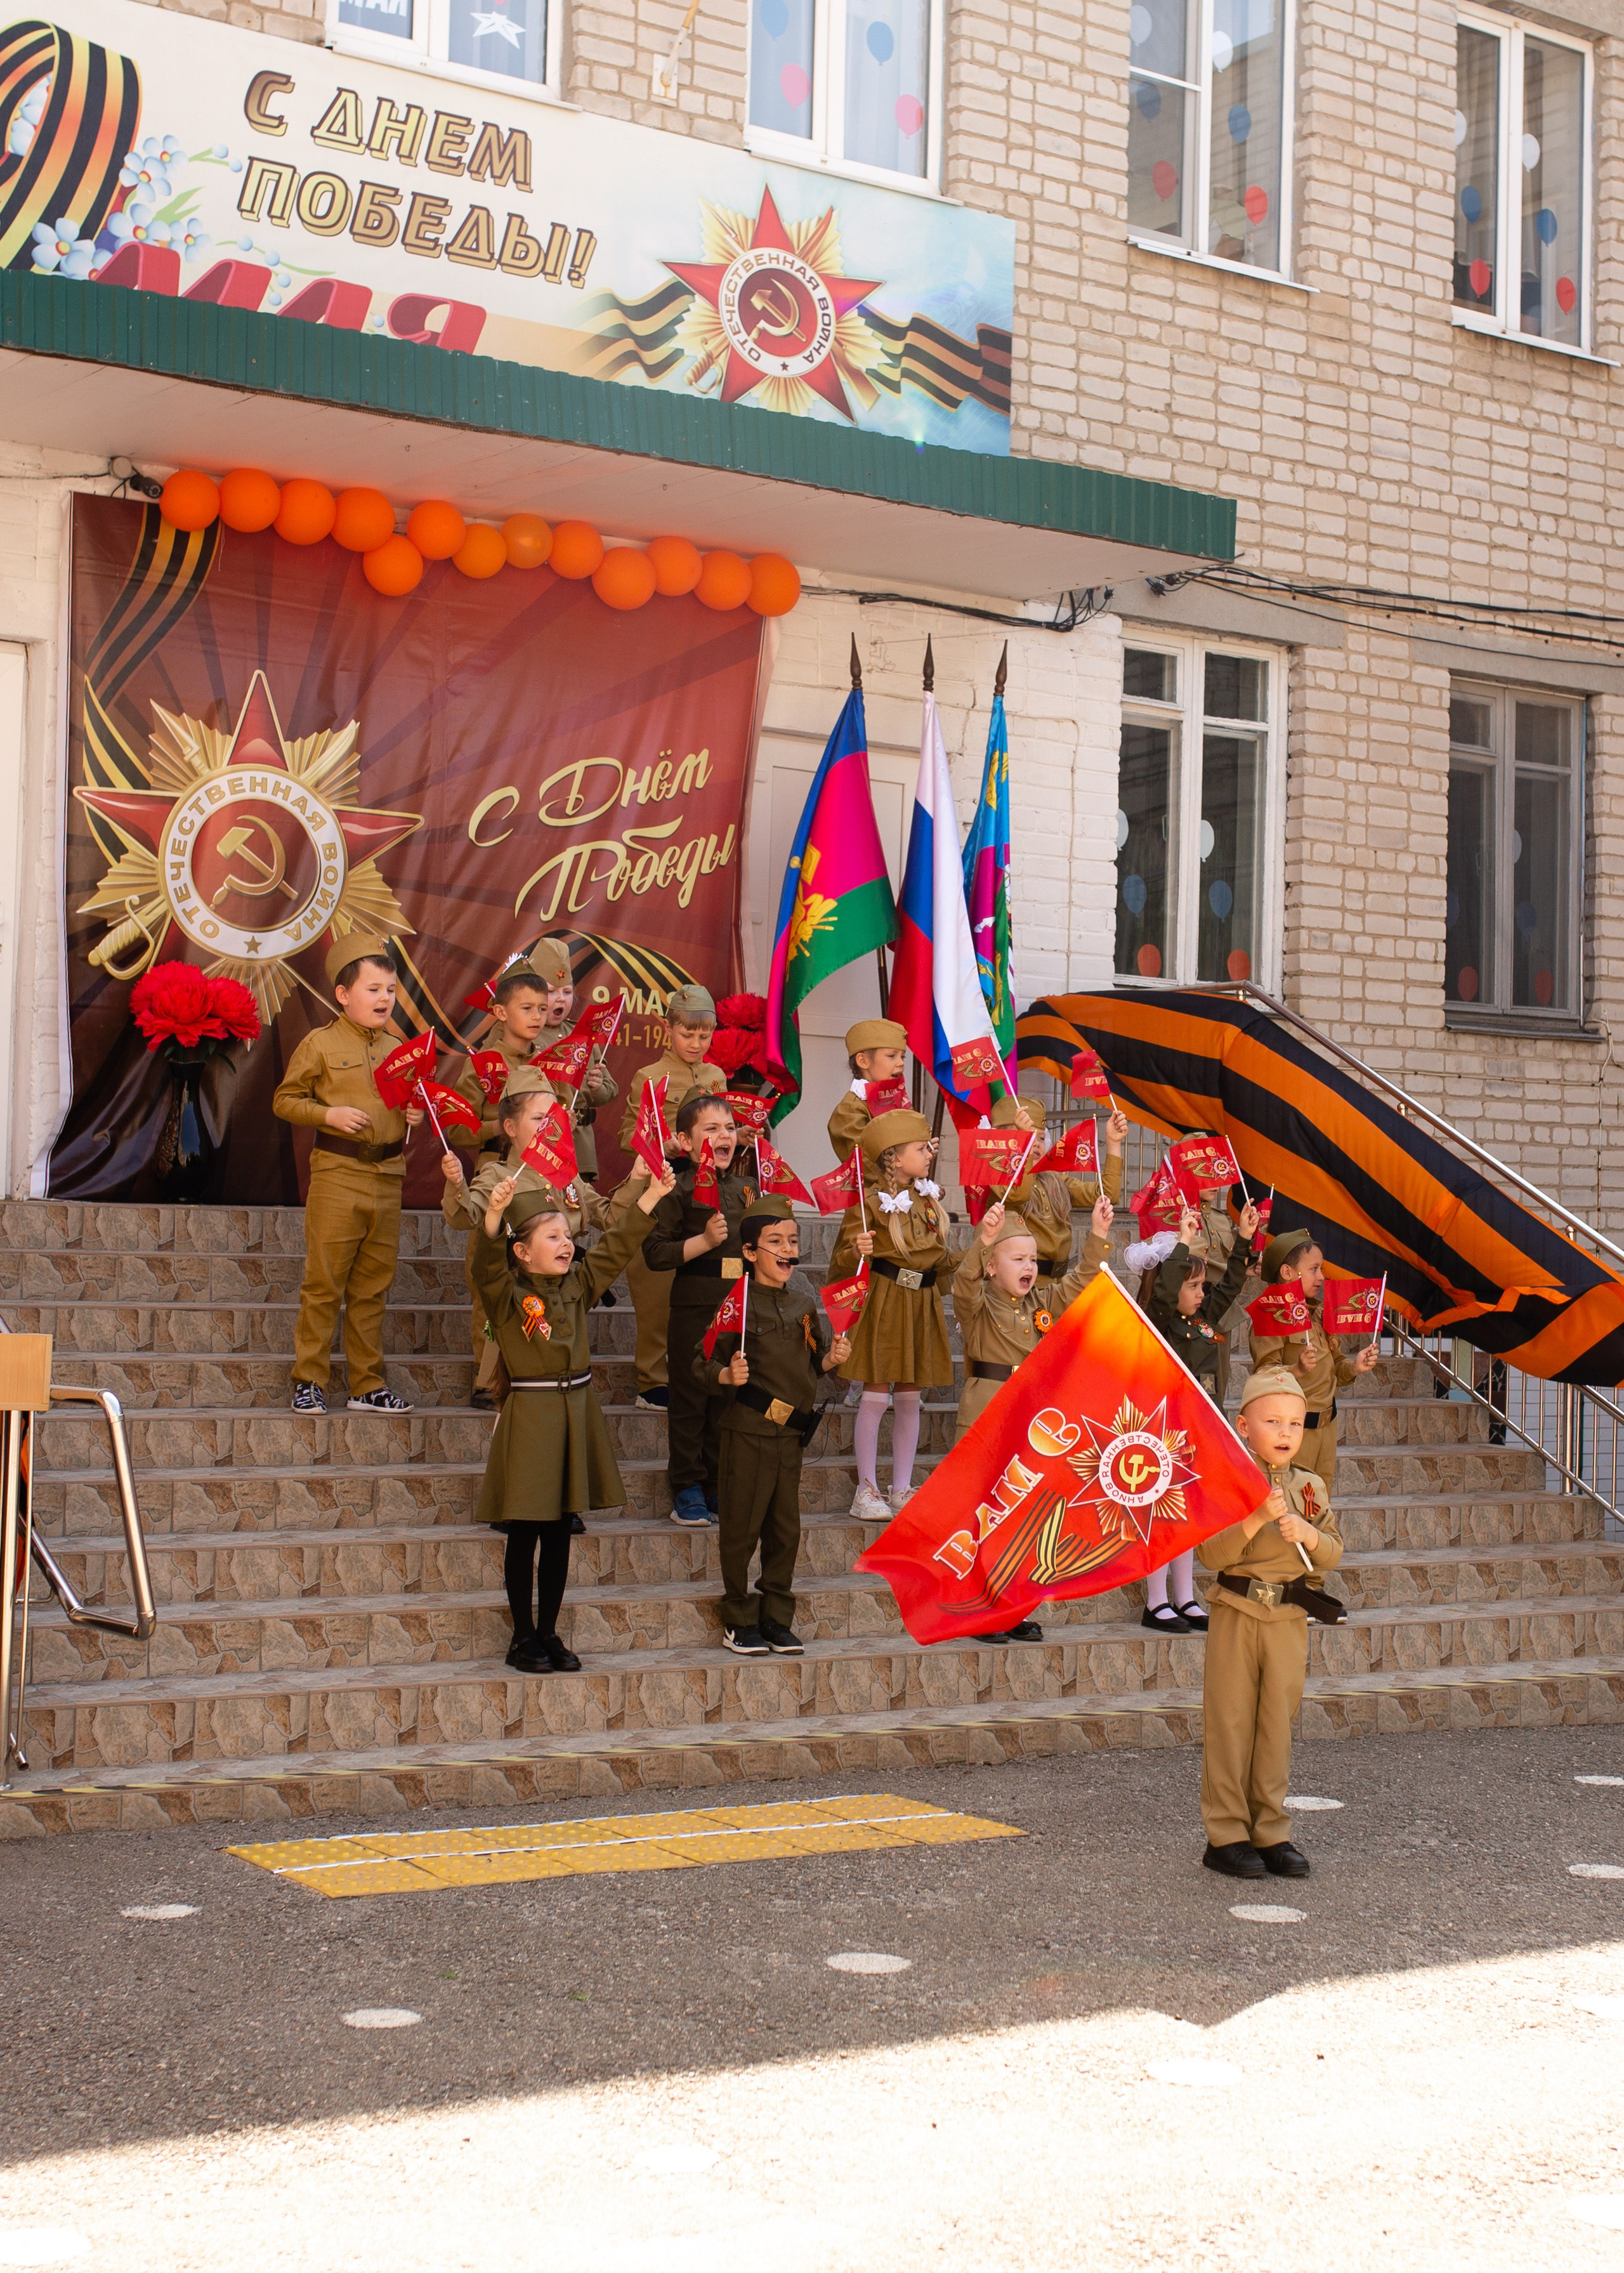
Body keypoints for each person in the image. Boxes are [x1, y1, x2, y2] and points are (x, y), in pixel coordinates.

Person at [470, 1161, 676, 1674]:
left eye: (567, 1234)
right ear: (522, 1250)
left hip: (575, 1412)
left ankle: (549, 1632)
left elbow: (614, 1249)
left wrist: (649, 1198)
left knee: (561, 1529)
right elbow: (485, 1268)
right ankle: (521, 1635)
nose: (566, 1243)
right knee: (525, 1532)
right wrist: (494, 1216)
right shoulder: (508, 1293)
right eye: (552, 1236)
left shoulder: (579, 1285)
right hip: (533, 1417)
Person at [1196, 1365, 1345, 1881]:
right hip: (1238, 1614)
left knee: (1276, 1727)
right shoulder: (1228, 1481)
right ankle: (1227, 1834)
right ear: (1242, 1425)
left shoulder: (1311, 1488)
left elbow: (1332, 1553)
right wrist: (1256, 1517)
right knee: (1231, 1722)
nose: (1285, 1433)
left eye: (1295, 1424)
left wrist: (1306, 1531)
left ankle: (1271, 1832)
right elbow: (1211, 1551)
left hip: (1287, 1617)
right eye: (1273, 1421)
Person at [950, 1195, 1115, 1643]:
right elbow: (962, 1287)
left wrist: (1097, 1235)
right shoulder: (980, 1302)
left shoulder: (1039, 1300)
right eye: (1018, 1258)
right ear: (991, 1267)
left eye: (1034, 1259)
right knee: (989, 1515)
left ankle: (1012, 1604)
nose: (1029, 1266)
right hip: (988, 1413)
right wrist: (983, 1241)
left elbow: (1079, 1282)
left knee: (1025, 1516)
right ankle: (981, 1608)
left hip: (1032, 1419)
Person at [273, 933, 423, 1415]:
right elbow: (284, 1100)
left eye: (390, 990)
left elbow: (406, 1102)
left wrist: (415, 1112)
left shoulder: (402, 1047)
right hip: (338, 1174)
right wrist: (328, 1115)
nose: (384, 998)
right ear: (343, 994)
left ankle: (366, 1383)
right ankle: (309, 1379)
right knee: (324, 1284)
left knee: (373, 1287)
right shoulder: (319, 1043)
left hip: (388, 1177)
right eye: (373, 989)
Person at [699, 1195, 851, 1656]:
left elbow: (811, 1366)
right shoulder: (737, 1305)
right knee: (741, 1528)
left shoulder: (804, 1301)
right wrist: (726, 1375)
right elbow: (699, 1363)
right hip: (748, 1431)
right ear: (749, 1252)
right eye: (775, 1242)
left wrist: (831, 1360)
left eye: (793, 1240)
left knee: (785, 1530)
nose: (788, 1250)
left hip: (790, 1435)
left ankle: (776, 1617)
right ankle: (739, 1617)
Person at [440, 1068, 608, 1415]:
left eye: (553, 1118)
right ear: (511, 1129)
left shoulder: (567, 1175)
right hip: (518, 1294)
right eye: (537, 1119)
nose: (548, 1127)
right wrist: (456, 1182)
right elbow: (463, 1217)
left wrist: (641, 1183)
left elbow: (609, 1215)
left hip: (564, 1295)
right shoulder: (499, 1175)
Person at [1127, 1198, 1257, 1634]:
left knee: (1187, 1514)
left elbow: (1230, 1287)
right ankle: (1156, 1600)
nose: (1202, 1294)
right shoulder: (1158, 1319)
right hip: (1163, 1430)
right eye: (1194, 1286)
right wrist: (1182, 1242)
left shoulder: (1201, 1319)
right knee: (1162, 1513)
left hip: (1198, 1427)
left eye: (1202, 1287)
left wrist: (1242, 1239)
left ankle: (1184, 1596)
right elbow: (1164, 1293)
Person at [642, 1093, 757, 1527]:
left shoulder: (748, 1186)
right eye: (711, 1130)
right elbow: (655, 1251)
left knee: (728, 1394)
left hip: (740, 1303)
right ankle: (686, 1484)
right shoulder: (678, 1186)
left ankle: (714, 1483)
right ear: (687, 1142)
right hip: (695, 1303)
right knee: (691, 1395)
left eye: (729, 1128)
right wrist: (704, 1242)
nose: (723, 1136)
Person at [610, 984, 725, 1410]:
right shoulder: (649, 1076)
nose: (696, 1044)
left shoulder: (717, 1077)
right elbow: (626, 1136)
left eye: (704, 1035)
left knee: (700, 1290)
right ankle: (652, 1379)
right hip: (661, 1190)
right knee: (656, 1289)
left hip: (705, 1194)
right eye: (687, 1034)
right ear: (668, 1029)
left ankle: (696, 1372)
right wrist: (665, 1145)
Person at [837, 1108, 952, 1521]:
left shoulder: (928, 1200)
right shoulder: (870, 1204)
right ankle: (865, 1490)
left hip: (919, 1304)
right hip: (886, 1302)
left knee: (909, 1398)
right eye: (920, 1148)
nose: (929, 1154)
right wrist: (856, 1251)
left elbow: (940, 1259)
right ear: (894, 1157)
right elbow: (841, 1261)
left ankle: (901, 1487)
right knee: (875, 1395)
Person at [1248, 1228, 1379, 1497]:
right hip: (1295, 1431)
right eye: (1314, 1269)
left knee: (1320, 1507)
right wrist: (1296, 1369)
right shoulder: (1272, 1316)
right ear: (1287, 1273)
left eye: (1321, 1269)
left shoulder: (1318, 1315)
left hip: (1326, 1427)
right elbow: (1264, 1376)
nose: (1321, 1277)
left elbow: (1336, 1366)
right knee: (1292, 1504)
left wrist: (1354, 1367)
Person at [988, 1094, 1128, 1271]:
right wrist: (1023, 1150)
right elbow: (1018, 1195)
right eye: (1027, 1136)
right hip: (1018, 1285)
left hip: (1057, 1285)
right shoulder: (997, 1179)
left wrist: (1113, 1143)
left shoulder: (1053, 1178)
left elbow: (1108, 1195)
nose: (1036, 1144)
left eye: (1040, 1138)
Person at [529, 937, 618, 1184]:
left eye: (567, 992)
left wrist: (597, 1086)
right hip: (542, 1146)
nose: (560, 999)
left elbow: (610, 1090)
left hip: (580, 1149)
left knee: (577, 1217)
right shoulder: (527, 1035)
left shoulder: (583, 1036)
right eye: (551, 992)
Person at [452, 961, 555, 1160]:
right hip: (497, 1171)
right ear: (501, 1012)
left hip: (543, 1172)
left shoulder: (547, 1064)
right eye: (527, 1008)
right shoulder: (482, 1064)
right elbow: (458, 1132)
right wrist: (502, 1126)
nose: (537, 1017)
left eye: (543, 1009)